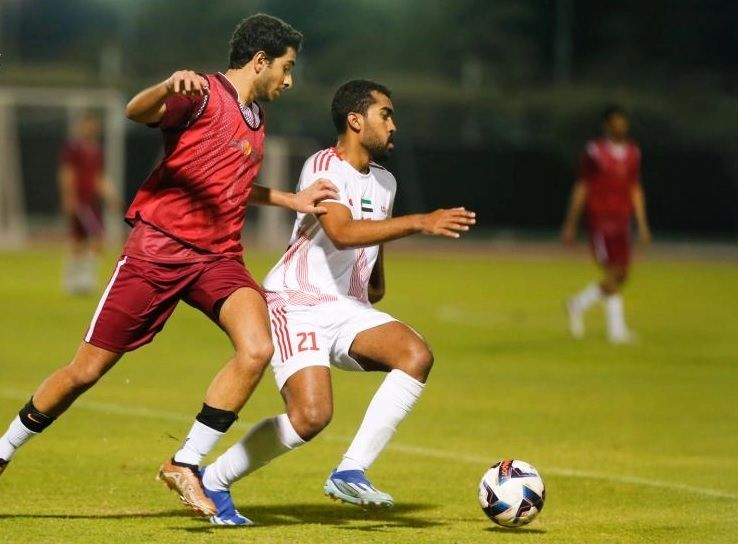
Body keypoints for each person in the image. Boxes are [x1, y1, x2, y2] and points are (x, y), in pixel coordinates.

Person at [0, 13, 339, 518]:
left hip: (217, 258)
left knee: (257, 347)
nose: (289, 80)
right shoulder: (201, 93)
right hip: (157, 253)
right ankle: (3, 452)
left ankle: (186, 462)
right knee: (85, 371)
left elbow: (232, 181)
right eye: (286, 68)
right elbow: (136, 111)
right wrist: (165, 85)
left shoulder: (255, 117)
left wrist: (291, 199)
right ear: (260, 60)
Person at [194, 80, 477, 526]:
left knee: (415, 354)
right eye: (386, 114)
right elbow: (342, 231)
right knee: (310, 417)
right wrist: (421, 222)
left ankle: (350, 469)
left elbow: (371, 244)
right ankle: (215, 478)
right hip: (296, 301)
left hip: (347, 308)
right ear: (355, 119)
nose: (393, 125)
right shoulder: (322, 165)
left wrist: (374, 282)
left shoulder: (386, 181)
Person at [561, 104, 651, 344]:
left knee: (622, 274)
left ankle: (577, 303)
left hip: (622, 218)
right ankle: (616, 331)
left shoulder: (633, 152)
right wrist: (571, 222)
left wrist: (642, 223)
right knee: (612, 271)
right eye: (615, 122)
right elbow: (582, 186)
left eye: (623, 122)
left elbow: (635, 188)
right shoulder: (595, 152)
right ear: (607, 125)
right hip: (600, 218)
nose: (620, 126)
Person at [58, 112, 118, 295]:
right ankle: (84, 280)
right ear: (80, 126)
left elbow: (99, 177)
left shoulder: (97, 150)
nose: (90, 128)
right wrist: (68, 196)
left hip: (91, 201)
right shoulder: (73, 149)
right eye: (87, 124)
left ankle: (72, 281)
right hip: (80, 201)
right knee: (97, 236)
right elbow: (66, 173)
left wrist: (110, 196)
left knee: (79, 239)